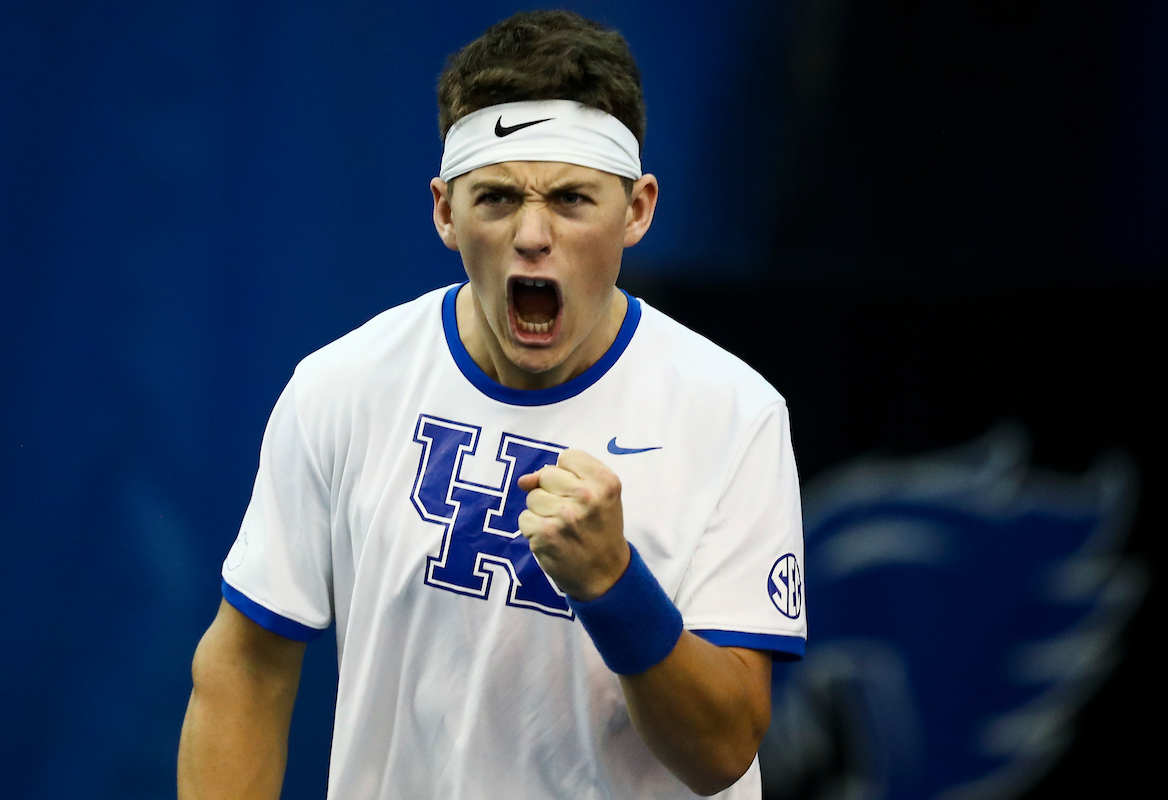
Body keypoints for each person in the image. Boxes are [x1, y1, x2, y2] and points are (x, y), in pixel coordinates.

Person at [178, 10, 806, 799]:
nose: (533, 235)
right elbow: (244, 667)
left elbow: (721, 752)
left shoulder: (734, 416)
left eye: (574, 199)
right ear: (445, 211)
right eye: (499, 198)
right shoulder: (343, 387)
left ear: (638, 209)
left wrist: (613, 584)